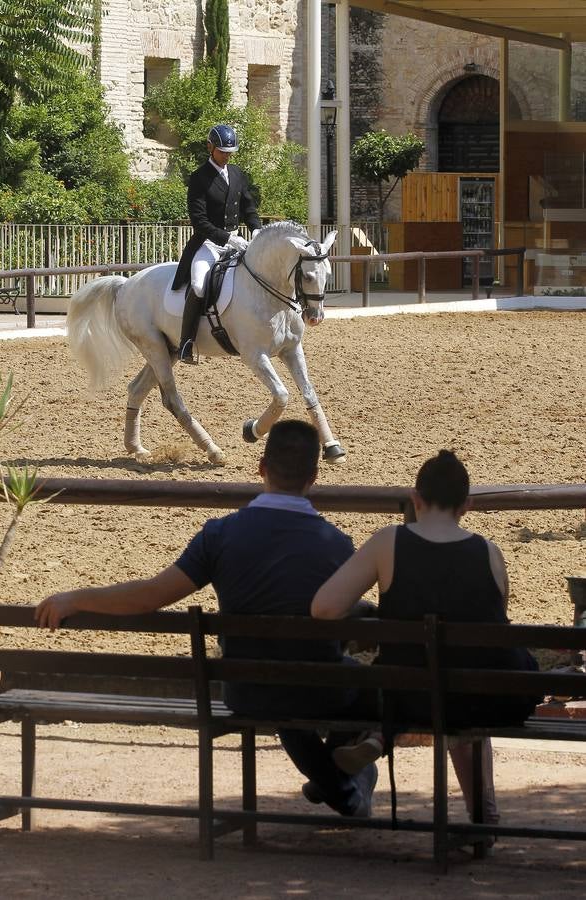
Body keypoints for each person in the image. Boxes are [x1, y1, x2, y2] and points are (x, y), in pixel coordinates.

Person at [35, 419, 377, 818]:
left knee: (280, 689)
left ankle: (340, 788)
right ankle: (342, 784)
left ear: (261, 468)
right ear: (314, 478)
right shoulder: (337, 544)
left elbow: (151, 595)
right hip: (317, 690)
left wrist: (76, 598)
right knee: (362, 688)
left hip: (245, 689)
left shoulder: (220, 535)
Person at [311, 448, 539, 831]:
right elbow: (496, 627)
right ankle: (483, 812)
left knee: (390, 681)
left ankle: (378, 736)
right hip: (487, 699)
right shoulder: (490, 553)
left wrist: (373, 609)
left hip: (411, 696)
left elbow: (324, 608)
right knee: (462, 680)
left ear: (415, 499)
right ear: (465, 505)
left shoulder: (389, 542)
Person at [171, 123, 262, 364]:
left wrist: (256, 230)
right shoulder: (199, 178)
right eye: (222, 151)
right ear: (210, 147)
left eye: (230, 152)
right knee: (200, 285)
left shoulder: (237, 174)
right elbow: (199, 221)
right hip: (208, 244)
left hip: (236, 241)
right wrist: (226, 237)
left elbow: (248, 207)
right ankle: (186, 344)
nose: (226, 156)